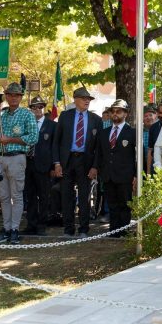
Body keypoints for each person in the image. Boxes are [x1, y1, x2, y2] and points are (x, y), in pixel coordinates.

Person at [0, 83, 39, 245]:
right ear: (6, 95)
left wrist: (10, 140)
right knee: (3, 196)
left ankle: (15, 230)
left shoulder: (27, 114)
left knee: (16, 196)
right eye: (10, 95)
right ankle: (6, 228)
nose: (13, 97)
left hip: (17, 158)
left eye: (16, 95)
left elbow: (33, 138)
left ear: (21, 97)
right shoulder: (0, 114)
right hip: (0, 157)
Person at [52, 87, 101, 237]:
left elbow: (99, 147)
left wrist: (95, 166)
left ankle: (84, 229)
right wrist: (57, 163)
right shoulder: (65, 116)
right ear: (75, 100)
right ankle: (68, 229)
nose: (87, 101)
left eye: (89, 99)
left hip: (86, 162)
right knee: (66, 195)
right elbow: (56, 141)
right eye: (84, 98)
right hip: (67, 160)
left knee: (85, 197)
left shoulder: (96, 119)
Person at [96, 99, 136, 237]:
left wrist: (136, 175)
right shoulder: (104, 132)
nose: (115, 114)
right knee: (112, 205)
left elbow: (137, 156)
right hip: (108, 175)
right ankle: (113, 231)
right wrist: (99, 170)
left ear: (125, 113)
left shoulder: (132, 132)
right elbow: (99, 153)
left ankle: (124, 232)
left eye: (118, 111)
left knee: (124, 205)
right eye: (112, 111)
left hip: (125, 175)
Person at [21, 96, 57, 236]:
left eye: (40, 107)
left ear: (44, 108)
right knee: (29, 196)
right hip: (27, 164)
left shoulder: (52, 125)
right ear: (31, 109)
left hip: (44, 166)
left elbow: (55, 147)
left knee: (43, 196)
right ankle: (31, 224)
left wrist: (54, 166)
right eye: (34, 107)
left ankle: (42, 225)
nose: (37, 110)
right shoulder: (26, 124)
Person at [142, 105, 158, 174]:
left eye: (150, 115)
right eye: (145, 116)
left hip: (157, 166)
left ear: (155, 116)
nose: (148, 118)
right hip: (141, 166)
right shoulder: (138, 133)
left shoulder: (160, 131)